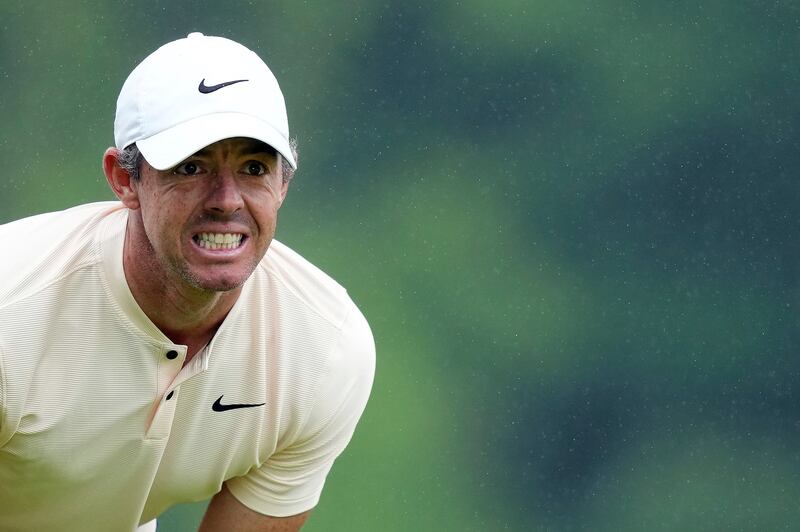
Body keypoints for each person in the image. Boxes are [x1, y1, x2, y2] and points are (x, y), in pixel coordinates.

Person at [0, 33, 375, 532]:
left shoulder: (325, 351)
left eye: (253, 168)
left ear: (283, 184)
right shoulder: (12, 308)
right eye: (191, 167)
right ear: (124, 179)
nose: (226, 199)